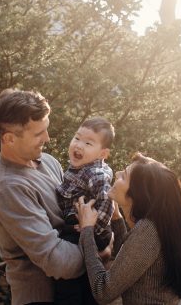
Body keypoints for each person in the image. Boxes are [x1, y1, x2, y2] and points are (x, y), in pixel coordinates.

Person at [0, 89, 84, 305]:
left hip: (74, 292)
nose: (47, 138)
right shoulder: (8, 188)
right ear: (9, 139)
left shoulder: (48, 161)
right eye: (38, 134)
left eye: (46, 130)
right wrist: (98, 255)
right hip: (41, 298)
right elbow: (57, 261)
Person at [76, 152, 181, 305]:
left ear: (137, 194)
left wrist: (86, 229)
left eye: (124, 176)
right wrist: (117, 218)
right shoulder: (157, 227)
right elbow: (130, 263)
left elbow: (103, 291)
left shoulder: (148, 230)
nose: (117, 173)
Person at [54, 117, 115, 304]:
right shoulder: (80, 167)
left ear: (102, 153)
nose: (79, 145)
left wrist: (92, 228)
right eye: (77, 138)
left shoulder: (94, 173)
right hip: (83, 227)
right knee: (86, 281)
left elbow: (107, 199)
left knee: (67, 281)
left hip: (88, 230)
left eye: (88, 143)